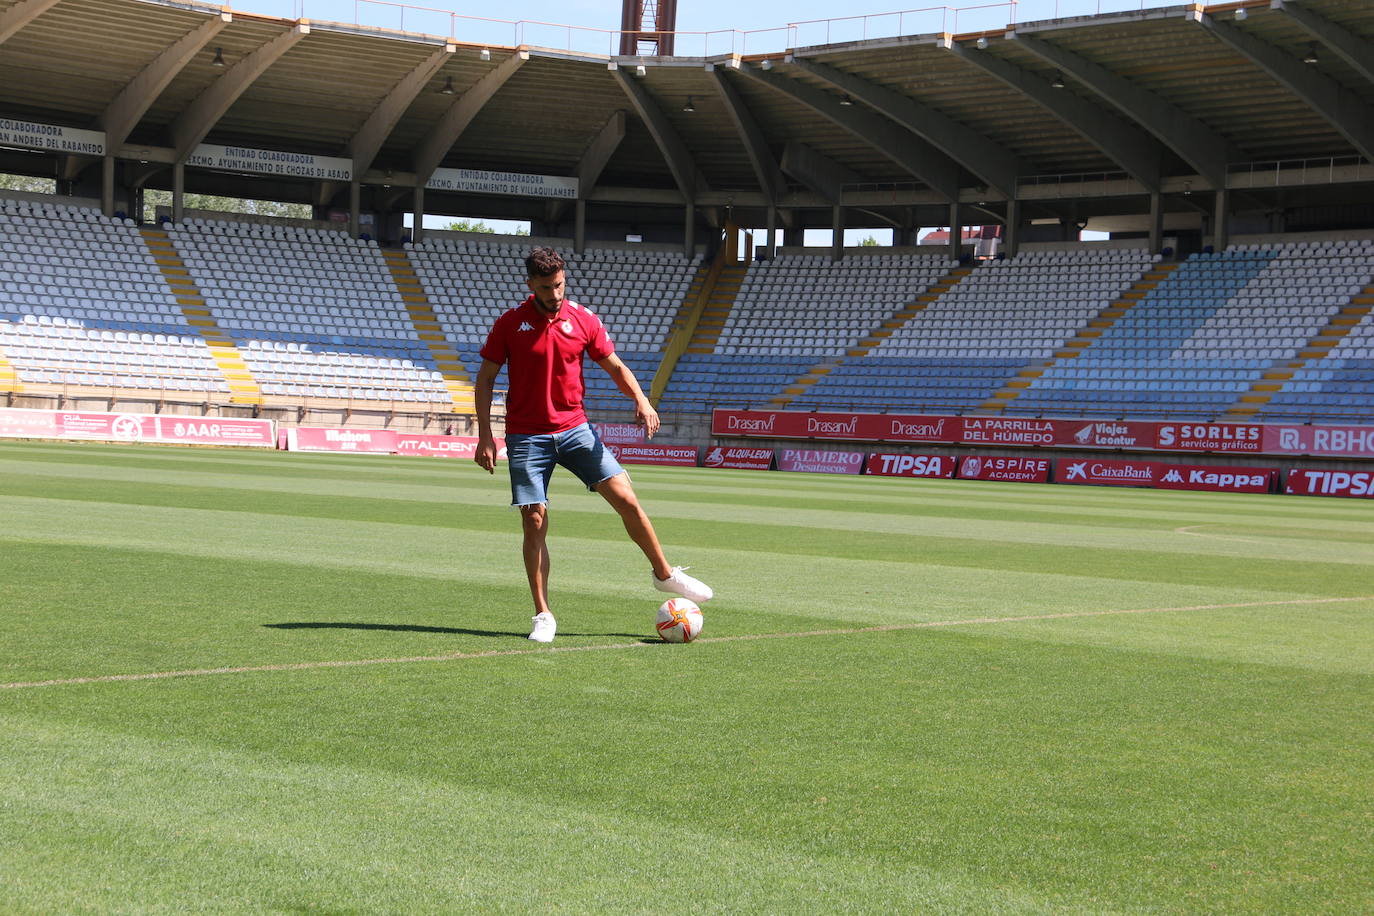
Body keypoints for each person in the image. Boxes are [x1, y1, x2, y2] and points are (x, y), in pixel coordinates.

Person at [473, 247, 712, 643]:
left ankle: (665, 574)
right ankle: (543, 615)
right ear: (531, 284)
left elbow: (615, 365)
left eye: (560, 285)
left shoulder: (582, 319)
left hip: (575, 429)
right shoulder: (509, 324)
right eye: (547, 287)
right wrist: (485, 436)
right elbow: (483, 380)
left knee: (626, 498)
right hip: (526, 435)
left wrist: (641, 399)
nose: (555, 293)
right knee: (534, 519)